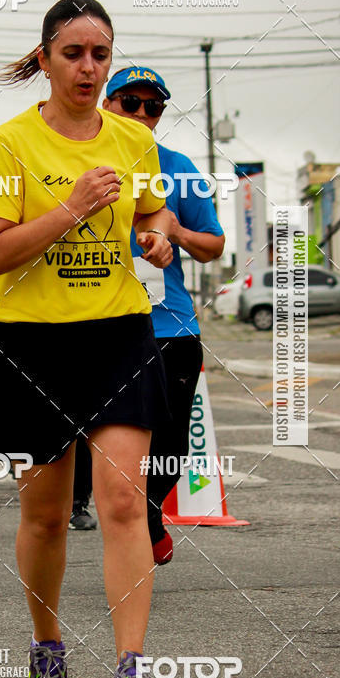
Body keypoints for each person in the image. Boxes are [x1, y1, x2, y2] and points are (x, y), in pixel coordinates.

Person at [0, 0, 176, 678]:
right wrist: (72, 207)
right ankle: (47, 648)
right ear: (46, 59)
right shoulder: (9, 144)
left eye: (100, 54)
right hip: (34, 341)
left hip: (119, 332)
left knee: (123, 500)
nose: (89, 67)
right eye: (74, 53)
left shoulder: (134, 140)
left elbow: (151, 211)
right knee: (48, 515)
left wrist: (156, 236)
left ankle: (132, 668)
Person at [103, 66, 225, 564]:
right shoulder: (81, 163)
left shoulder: (179, 168)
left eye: (152, 106)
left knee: (171, 444)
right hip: (100, 325)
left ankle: (149, 511)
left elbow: (213, 246)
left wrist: (176, 232)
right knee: (106, 439)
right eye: (129, 102)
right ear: (107, 104)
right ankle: (118, 514)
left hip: (170, 326)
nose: (141, 113)